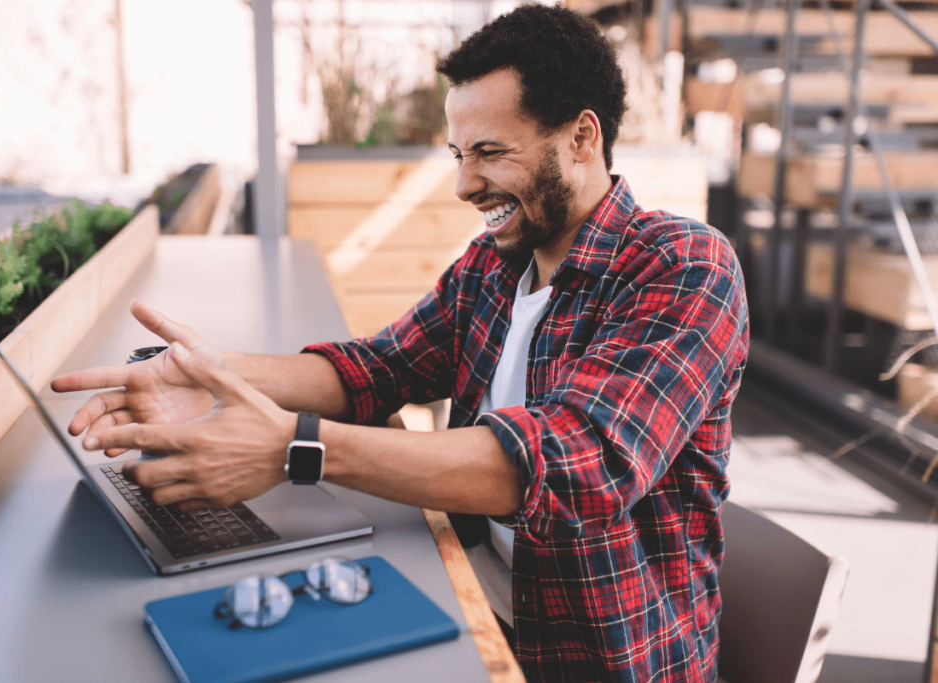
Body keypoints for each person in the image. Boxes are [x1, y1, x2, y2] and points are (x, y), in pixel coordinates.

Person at [52, 4, 748, 682]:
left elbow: (573, 466)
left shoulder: (684, 265)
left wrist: (295, 448)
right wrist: (213, 375)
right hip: (474, 608)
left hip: (587, 660)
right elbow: (376, 370)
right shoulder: (493, 266)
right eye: (457, 154)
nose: (464, 183)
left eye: (489, 153)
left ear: (582, 139)